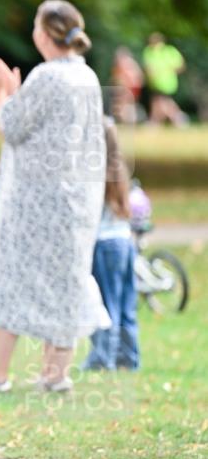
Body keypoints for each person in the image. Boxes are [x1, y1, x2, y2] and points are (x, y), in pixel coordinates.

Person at [0, 0, 105, 395]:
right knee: (65, 279)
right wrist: (12, 90)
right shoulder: (85, 76)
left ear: (43, 33)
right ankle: (54, 375)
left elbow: (10, 126)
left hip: (34, 202)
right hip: (74, 200)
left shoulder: (48, 75)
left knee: (9, 276)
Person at [81, 118, 140, 372]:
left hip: (103, 245)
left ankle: (103, 358)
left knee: (104, 306)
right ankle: (128, 356)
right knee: (126, 304)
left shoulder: (93, 173)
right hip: (124, 241)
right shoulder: (119, 170)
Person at [142, 33, 188, 126]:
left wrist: (166, 70)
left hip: (167, 83)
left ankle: (160, 120)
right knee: (159, 101)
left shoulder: (170, 51)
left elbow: (181, 66)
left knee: (160, 101)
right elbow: (147, 67)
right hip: (155, 83)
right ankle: (176, 117)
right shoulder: (149, 52)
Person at [110, 47, 144, 124]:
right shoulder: (132, 63)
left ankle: (124, 121)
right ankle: (128, 121)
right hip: (133, 87)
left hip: (128, 87)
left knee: (123, 105)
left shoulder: (123, 63)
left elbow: (119, 78)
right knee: (129, 105)